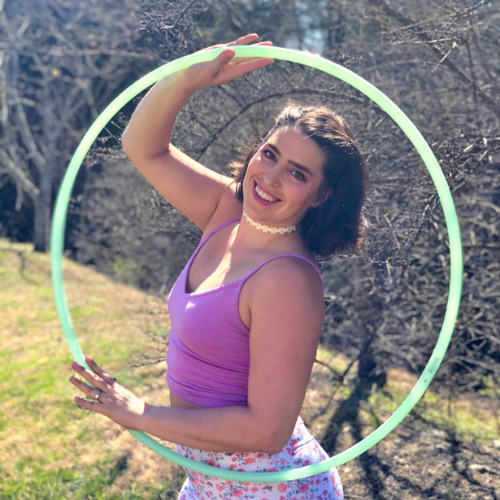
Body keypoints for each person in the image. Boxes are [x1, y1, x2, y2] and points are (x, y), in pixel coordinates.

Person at [69, 33, 368, 499]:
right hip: (208, 482)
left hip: (272, 490)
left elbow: (268, 430)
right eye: (270, 154)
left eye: (297, 173)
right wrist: (183, 80)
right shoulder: (227, 210)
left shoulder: (286, 280)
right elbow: (142, 146)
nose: (270, 177)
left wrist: (140, 414)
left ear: (320, 195)